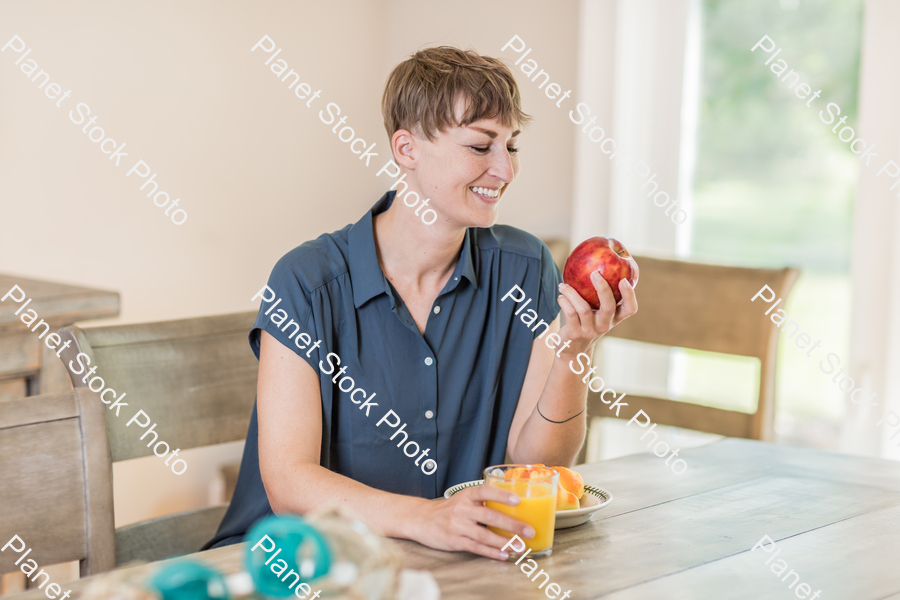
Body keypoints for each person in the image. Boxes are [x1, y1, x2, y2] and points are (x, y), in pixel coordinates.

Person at [204, 45, 637, 560]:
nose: (505, 169)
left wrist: (576, 350)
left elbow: (537, 464)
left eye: (511, 146)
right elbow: (289, 483)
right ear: (406, 149)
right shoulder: (307, 281)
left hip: (446, 564)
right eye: (481, 147)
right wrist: (426, 518)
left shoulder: (526, 267)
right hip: (299, 566)